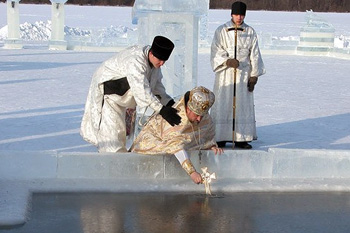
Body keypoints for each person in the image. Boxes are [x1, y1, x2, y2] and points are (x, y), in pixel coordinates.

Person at [80, 36, 181, 153]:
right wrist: (161, 109)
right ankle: (110, 167)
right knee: (112, 140)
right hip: (109, 97)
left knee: (125, 137)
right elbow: (141, 89)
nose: (162, 63)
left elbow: (156, 87)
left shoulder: (155, 65)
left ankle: (121, 166)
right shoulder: (136, 61)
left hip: (125, 100)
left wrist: (169, 103)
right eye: (160, 60)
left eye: (164, 61)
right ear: (152, 54)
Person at [130, 86, 223, 184]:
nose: (199, 119)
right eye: (196, 115)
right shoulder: (175, 118)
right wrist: (192, 172)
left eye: (202, 115)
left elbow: (207, 134)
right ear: (188, 109)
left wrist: (210, 146)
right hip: (152, 147)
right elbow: (175, 146)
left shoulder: (203, 117)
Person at [210, 1, 266, 149]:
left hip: (243, 75)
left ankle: (242, 138)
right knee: (223, 103)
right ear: (231, 14)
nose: (239, 17)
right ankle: (221, 136)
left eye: (241, 15)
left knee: (242, 105)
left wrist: (254, 75)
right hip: (225, 75)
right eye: (236, 14)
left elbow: (255, 55)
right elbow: (215, 50)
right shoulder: (221, 31)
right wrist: (227, 61)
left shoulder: (250, 32)